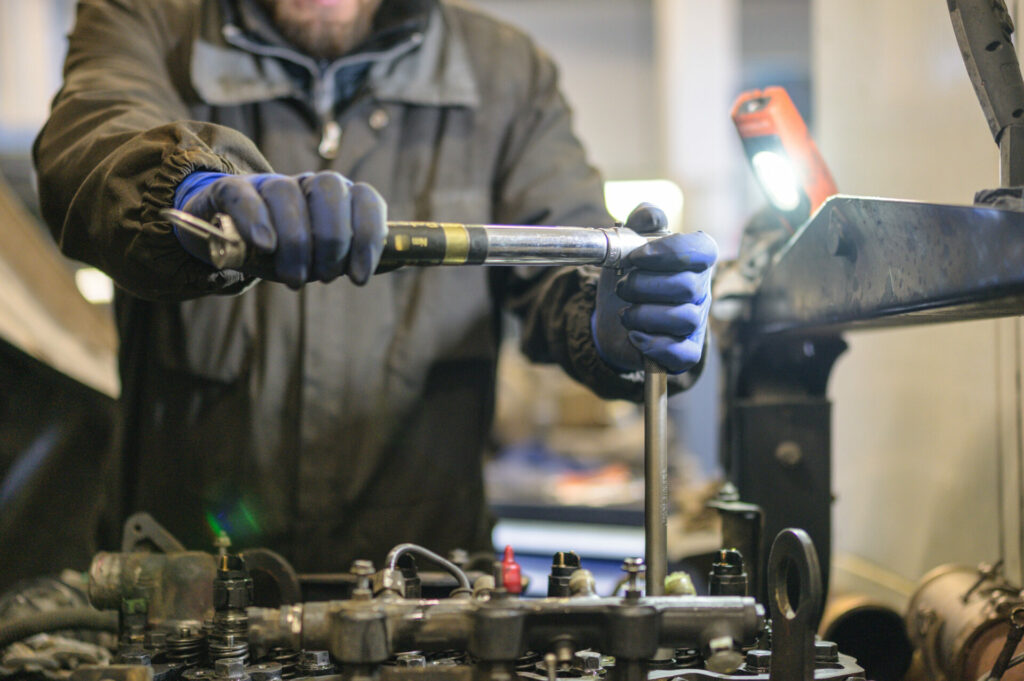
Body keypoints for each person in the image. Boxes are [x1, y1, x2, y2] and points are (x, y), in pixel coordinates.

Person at [33, 0, 717, 572]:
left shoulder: (504, 74)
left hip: (430, 592)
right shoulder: (148, 19)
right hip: (185, 591)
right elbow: (91, 143)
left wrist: (614, 319)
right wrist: (188, 194)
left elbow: (570, 250)